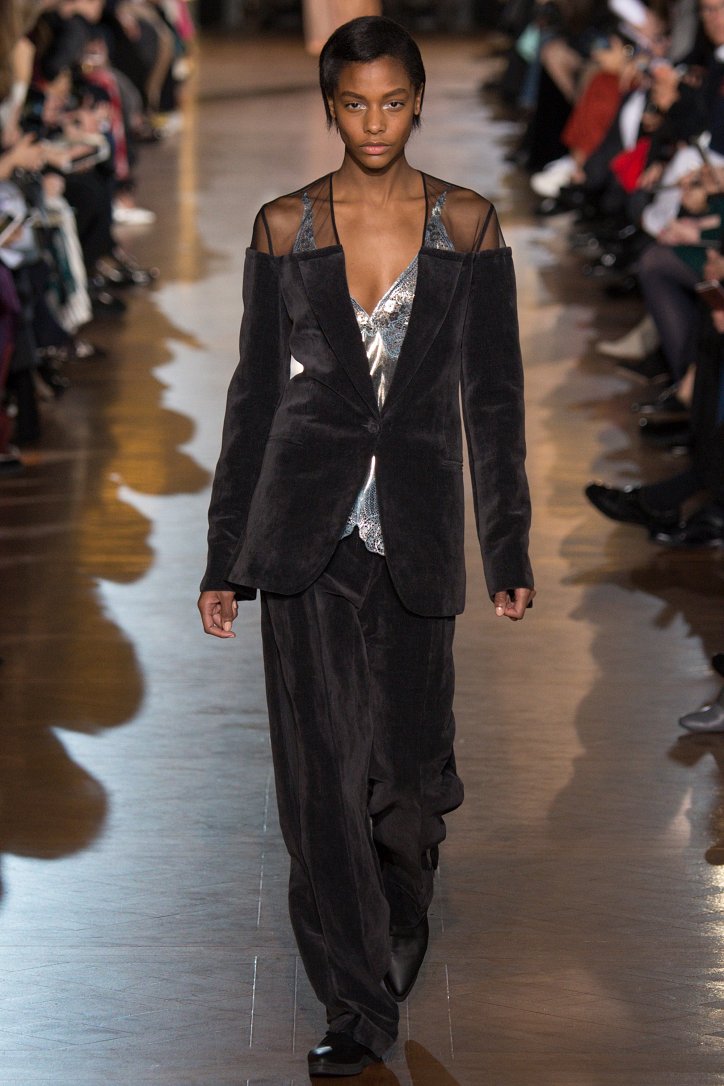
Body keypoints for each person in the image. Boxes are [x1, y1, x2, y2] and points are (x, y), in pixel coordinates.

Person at [197, 16, 535, 1079]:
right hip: (304, 535)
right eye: (355, 103)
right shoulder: (284, 227)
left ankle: (400, 902)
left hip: (419, 533)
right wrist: (223, 556)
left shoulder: (467, 226)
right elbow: (254, 398)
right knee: (320, 786)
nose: (374, 122)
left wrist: (509, 548)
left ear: (418, 101)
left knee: (407, 786)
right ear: (330, 107)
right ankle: (356, 1003)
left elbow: (494, 400)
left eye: (392, 101)